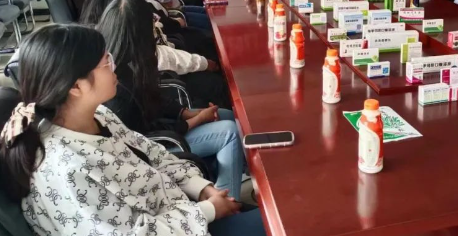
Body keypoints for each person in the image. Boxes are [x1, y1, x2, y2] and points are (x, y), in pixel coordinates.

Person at [0, 24, 265, 236]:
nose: (114, 67)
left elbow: (153, 154)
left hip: (182, 213)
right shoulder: (66, 167)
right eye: (106, 62)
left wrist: (202, 188)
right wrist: (208, 210)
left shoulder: (99, 115)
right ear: (76, 87)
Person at [99, 0, 244, 199]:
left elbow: (155, 99)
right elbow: (144, 136)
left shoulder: (129, 63)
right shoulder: (114, 87)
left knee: (226, 114)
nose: (155, 27)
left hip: (164, 128)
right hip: (159, 144)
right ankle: (228, 200)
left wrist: (186, 112)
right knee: (229, 132)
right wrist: (195, 121)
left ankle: (246, 175)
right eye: (151, 24)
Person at [79, 0, 230, 108]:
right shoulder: (117, 28)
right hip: (161, 82)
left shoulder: (99, 28)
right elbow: (157, 55)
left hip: (159, 76)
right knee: (216, 83)